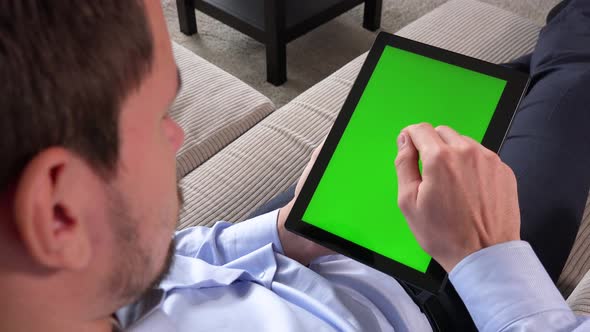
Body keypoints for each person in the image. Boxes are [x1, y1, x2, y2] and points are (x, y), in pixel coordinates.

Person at [0, 1, 588, 332]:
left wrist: (285, 230)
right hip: (450, 309)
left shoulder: (63, 290)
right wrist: (487, 257)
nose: (177, 135)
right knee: (573, 81)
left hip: (304, 250)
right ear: (58, 213)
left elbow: (166, 264)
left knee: (481, 95)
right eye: (161, 116)